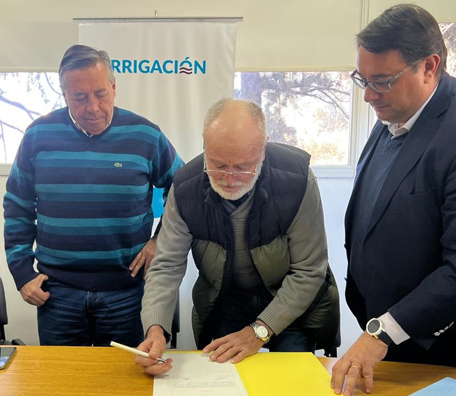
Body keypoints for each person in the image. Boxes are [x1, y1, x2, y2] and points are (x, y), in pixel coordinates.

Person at [333, 4, 456, 396]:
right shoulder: (393, 114)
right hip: (399, 341)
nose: (369, 95)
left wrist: (383, 332)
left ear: (428, 66)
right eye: (363, 80)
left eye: (382, 81)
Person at [135, 99, 339, 375]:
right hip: (224, 300)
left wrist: (258, 332)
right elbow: (166, 266)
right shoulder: (185, 188)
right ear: (205, 146)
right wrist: (155, 329)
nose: (229, 178)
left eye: (243, 166)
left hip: (289, 298)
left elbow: (309, 270)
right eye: (218, 165)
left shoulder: (297, 179)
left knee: (290, 380)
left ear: (263, 150)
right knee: (220, 382)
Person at [4, 44, 183, 347]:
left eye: (101, 94)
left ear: (114, 87)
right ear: (65, 95)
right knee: (63, 376)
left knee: (124, 376)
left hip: (127, 291)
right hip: (57, 293)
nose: (93, 107)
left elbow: (183, 188)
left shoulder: (146, 135)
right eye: (80, 97)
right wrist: (22, 272)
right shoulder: (38, 135)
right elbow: (17, 205)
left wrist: (159, 240)